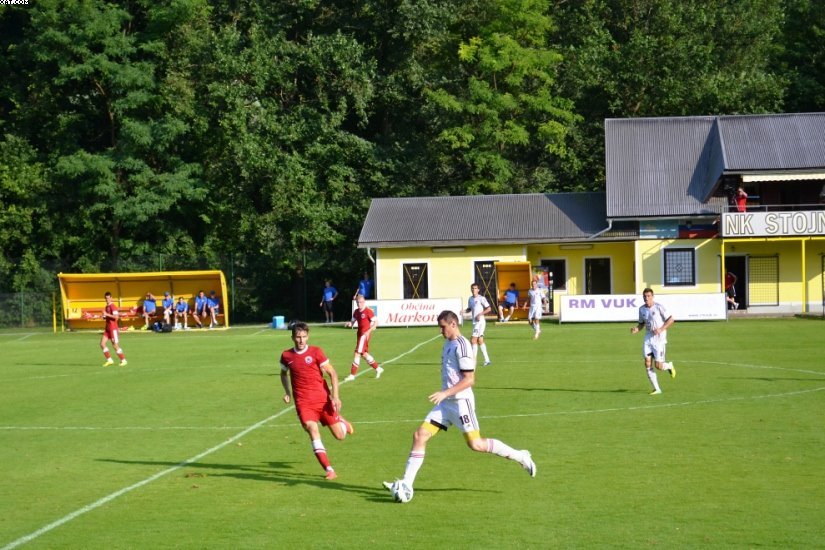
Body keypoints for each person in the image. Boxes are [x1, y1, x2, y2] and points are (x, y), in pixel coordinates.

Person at [382, 310, 536, 500]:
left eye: (443, 327)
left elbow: (470, 380)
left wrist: (445, 392)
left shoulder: (463, 347)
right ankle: (406, 483)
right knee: (420, 435)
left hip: (461, 403)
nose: (440, 331)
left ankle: (521, 456)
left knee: (476, 444)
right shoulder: (448, 343)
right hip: (445, 404)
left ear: (453, 324)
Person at [279, 321, 353, 480]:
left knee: (340, 436)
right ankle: (329, 469)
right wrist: (287, 392)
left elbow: (332, 373)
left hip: (323, 400)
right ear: (292, 337)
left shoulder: (316, 352)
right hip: (303, 403)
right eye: (298, 337)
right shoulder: (286, 356)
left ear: (308, 337)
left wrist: (335, 396)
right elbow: (283, 374)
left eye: (304, 337)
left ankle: (341, 421)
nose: (301, 340)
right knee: (311, 428)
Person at [630, 288, 676, 395]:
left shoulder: (659, 307)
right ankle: (657, 389)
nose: (646, 298)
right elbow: (641, 324)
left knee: (658, 366)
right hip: (648, 338)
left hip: (659, 339)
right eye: (644, 296)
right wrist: (636, 329)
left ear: (652, 296)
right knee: (647, 363)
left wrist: (661, 329)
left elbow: (671, 320)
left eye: (648, 296)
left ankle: (669, 366)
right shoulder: (641, 309)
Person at [343, 294, 383, 381]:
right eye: (358, 302)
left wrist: (369, 331)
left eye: (361, 302)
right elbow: (352, 323)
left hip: (364, 335)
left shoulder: (368, 311)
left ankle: (352, 375)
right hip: (359, 334)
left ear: (364, 302)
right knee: (363, 354)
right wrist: (348, 324)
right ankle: (378, 368)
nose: (359, 304)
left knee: (357, 353)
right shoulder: (356, 312)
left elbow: (376, 322)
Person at [466, 283, 492, 365]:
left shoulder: (481, 298)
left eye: (475, 288)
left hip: (480, 322)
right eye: (472, 288)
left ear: (478, 290)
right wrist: (463, 311)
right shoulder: (470, 299)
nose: (473, 290)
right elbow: (469, 309)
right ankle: (487, 360)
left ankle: (473, 361)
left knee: (473, 340)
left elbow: (489, 309)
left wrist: (480, 314)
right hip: (475, 322)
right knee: (480, 341)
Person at [100, 291, 127, 367]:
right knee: (102, 344)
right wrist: (104, 316)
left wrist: (106, 314)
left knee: (115, 345)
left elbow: (116, 317)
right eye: (106, 298)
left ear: (111, 298)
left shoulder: (113, 306)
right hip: (107, 328)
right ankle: (110, 360)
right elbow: (108, 316)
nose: (107, 299)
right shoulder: (107, 306)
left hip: (113, 328)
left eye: (108, 298)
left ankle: (123, 360)